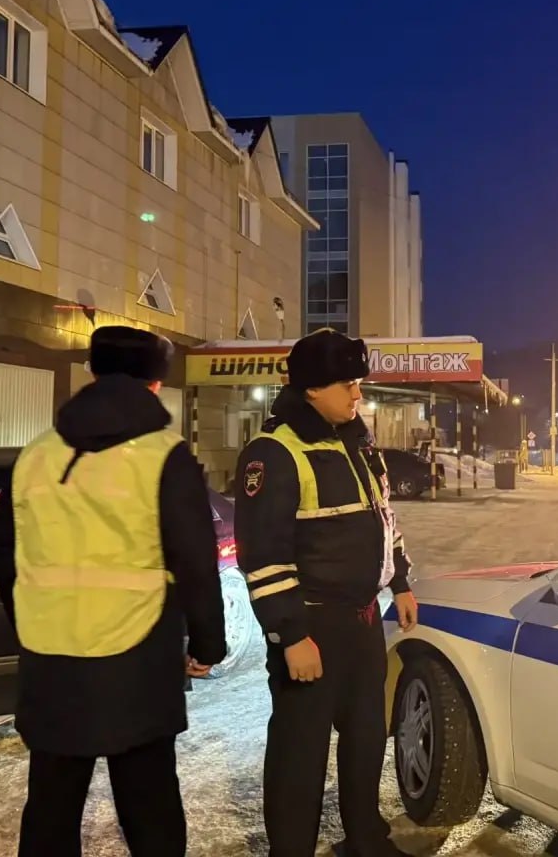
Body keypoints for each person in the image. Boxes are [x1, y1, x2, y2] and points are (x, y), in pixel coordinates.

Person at [0, 325, 227, 857]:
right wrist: (208, 643)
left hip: (50, 660)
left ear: (90, 372)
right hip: (137, 659)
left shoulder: (36, 454)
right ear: (156, 384)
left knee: (50, 810)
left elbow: (1, 557)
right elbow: (194, 561)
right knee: (150, 809)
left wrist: (32, 622)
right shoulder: (164, 455)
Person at [233, 328, 420, 857]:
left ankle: (365, 840)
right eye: (347, 384)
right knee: (300, 753)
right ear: (313, 388)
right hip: (312, 626)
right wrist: (291, 635)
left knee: (366, 740)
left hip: (362, 622)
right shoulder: (274, 453)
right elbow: (263, 556)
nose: (358, 394)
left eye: (358, 382)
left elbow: (384, 520)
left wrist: (400, 582)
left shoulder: (358, 444)